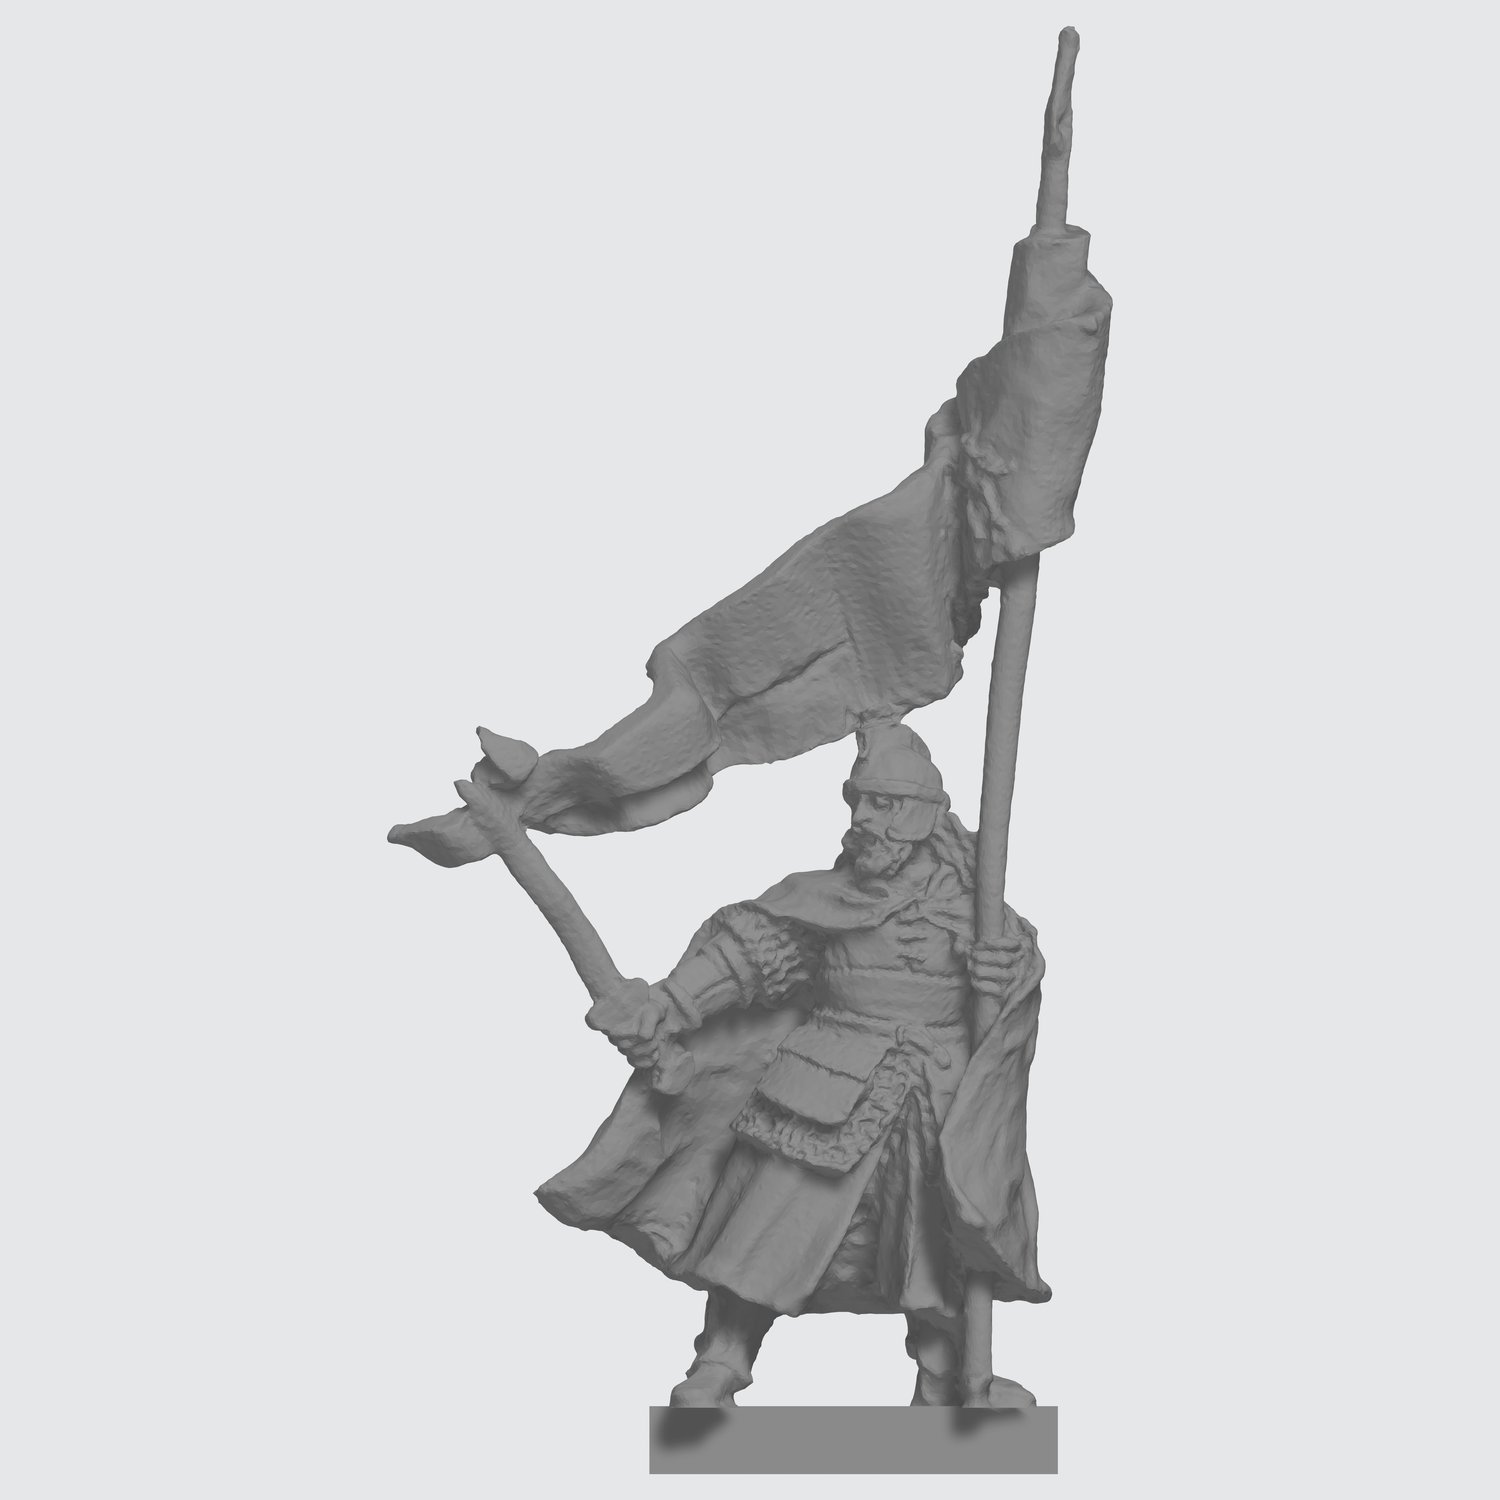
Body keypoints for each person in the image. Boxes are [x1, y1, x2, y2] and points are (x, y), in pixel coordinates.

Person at [536, 719, 1048, 1407]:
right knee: (761, 1226)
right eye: (858, 803)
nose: (863, 820)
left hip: (937, 1096)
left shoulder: (980, 912)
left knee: (933, 1250)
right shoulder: (824, 897)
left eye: (883, 804)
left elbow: (1012, 998)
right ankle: (720, 1364)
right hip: (822, 1080)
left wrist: (1008, 972)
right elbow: (750, 956)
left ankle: (950, 1385)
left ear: (925, 813)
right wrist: (669, 1005)